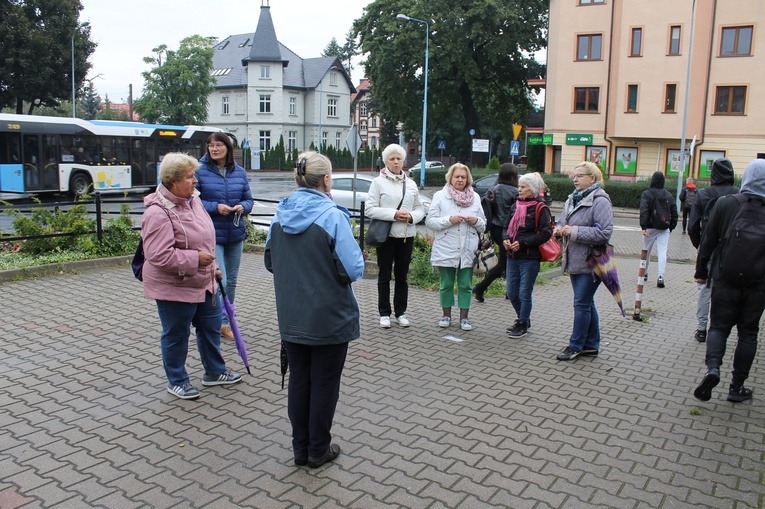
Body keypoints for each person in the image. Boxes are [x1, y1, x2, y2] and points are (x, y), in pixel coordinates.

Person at [265, 152, 365, 468]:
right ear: (325, 180)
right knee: (324, 382)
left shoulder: (279, 215)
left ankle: (300, 448)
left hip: (292, 314)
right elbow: (353, 269)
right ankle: (318, 449)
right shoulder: (333, 216)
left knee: (299, 381)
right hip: (329, 316)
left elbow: (270, 261)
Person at [140, 153, 243, 400]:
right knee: (176, 334)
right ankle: (177, 380)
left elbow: (206, 239)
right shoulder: (157, 212)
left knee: (209, 327)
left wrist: (213, 266)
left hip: (203, 281)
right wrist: (196, 260)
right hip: (174, 286)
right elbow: (158, 256)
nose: (195, 181)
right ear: (172, 181)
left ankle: (214, 372)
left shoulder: (192, 200)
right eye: (189, 177)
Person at [693, 159, 765, 403]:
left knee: (719, 327)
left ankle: (713, 369)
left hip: (725, 278)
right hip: (758, 285)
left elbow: (708, 242)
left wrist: (701, 270)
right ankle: (737, 387)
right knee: (748, 333)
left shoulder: (725, 204)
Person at [196, 133, 254, 340]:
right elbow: (193, 201)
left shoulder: (239, 172)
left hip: (235, 234)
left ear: (228, 148)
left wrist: (242, 207)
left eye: (218, 145)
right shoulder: (200, 171)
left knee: (233, 281)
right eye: (210, 145)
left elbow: (249, 200)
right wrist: (215, 207)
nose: (214, 149)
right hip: (212, 234)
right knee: (222, 279)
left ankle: (227, 319)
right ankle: (218, 321)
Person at [553, 161, 613, 361]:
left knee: (581, 304)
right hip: (574, 259)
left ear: (592, 179)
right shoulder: (573, 199)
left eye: (579, 176)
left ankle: (575, 345)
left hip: (592, 261)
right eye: (574, 175)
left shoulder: (600, 200)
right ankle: (591, 345)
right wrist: (559, 229)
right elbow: (563, 221)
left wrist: (573, 231)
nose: (574, 179)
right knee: (586, 303)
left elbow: (604, 233)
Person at [365, 143, 425, 328]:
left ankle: (401, 312)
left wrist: (411, 217)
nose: (396, 161)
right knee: (384, 275)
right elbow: (369, 209)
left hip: (406, 235)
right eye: (392, 159)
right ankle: (384, 313)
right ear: (385, 162)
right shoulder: (378, 182)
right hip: (386, 236)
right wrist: (393, 214)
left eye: (399, 158)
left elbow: (420, 209)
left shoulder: (411, 183)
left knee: (402, 276)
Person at [426, 163, 486, 331]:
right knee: (446, 284)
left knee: (465, 285)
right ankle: (446, 315)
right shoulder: (440, 196)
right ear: (450, 178)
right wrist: (449, 220)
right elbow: (430, 222)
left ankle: (464, 318)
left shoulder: (475, 197)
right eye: (457, 176)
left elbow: (483, 224)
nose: (460, 179)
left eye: (463, 177)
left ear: (468, 179)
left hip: (467, 249)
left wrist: (476, 221)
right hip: (446, 247)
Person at [687, 158, 738, 343]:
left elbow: (692, 225)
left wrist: (699, 244)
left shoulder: (703, 194)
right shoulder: (738, 194)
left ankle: (701, 329)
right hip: (732, 248)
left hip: (708, 246)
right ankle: (719, 327)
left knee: (704, 287)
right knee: (725, 288)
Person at [504, 172, 552, 338]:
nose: (519, 190)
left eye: (523, 187)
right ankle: (523, 318)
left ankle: (523, 323)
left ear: (533, 189)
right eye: (519, 186)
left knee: (524, 293)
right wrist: (505, 239)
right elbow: (506, 227)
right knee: (511, 292)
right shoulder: (515, 205)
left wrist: (523, 243)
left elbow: (546, 233)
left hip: (529, 258)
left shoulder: (540, 208)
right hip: (512, 256)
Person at [472, 163, 519, 302]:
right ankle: (481, 287)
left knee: (508, 260)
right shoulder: (515, 192)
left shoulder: (493, 189)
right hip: (509, 231)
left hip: (495, 229)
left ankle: (507, 291)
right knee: (506, 262)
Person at [639, 171, 678, 288]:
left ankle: (644, 273)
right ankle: (660, 276)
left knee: (646, 250)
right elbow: (674, 213)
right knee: (662, 252)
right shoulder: (668, 195)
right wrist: (670, 227)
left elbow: (644, 210)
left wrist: (643, 226)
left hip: (650, 227)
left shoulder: (647, 194)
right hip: (664, 227)